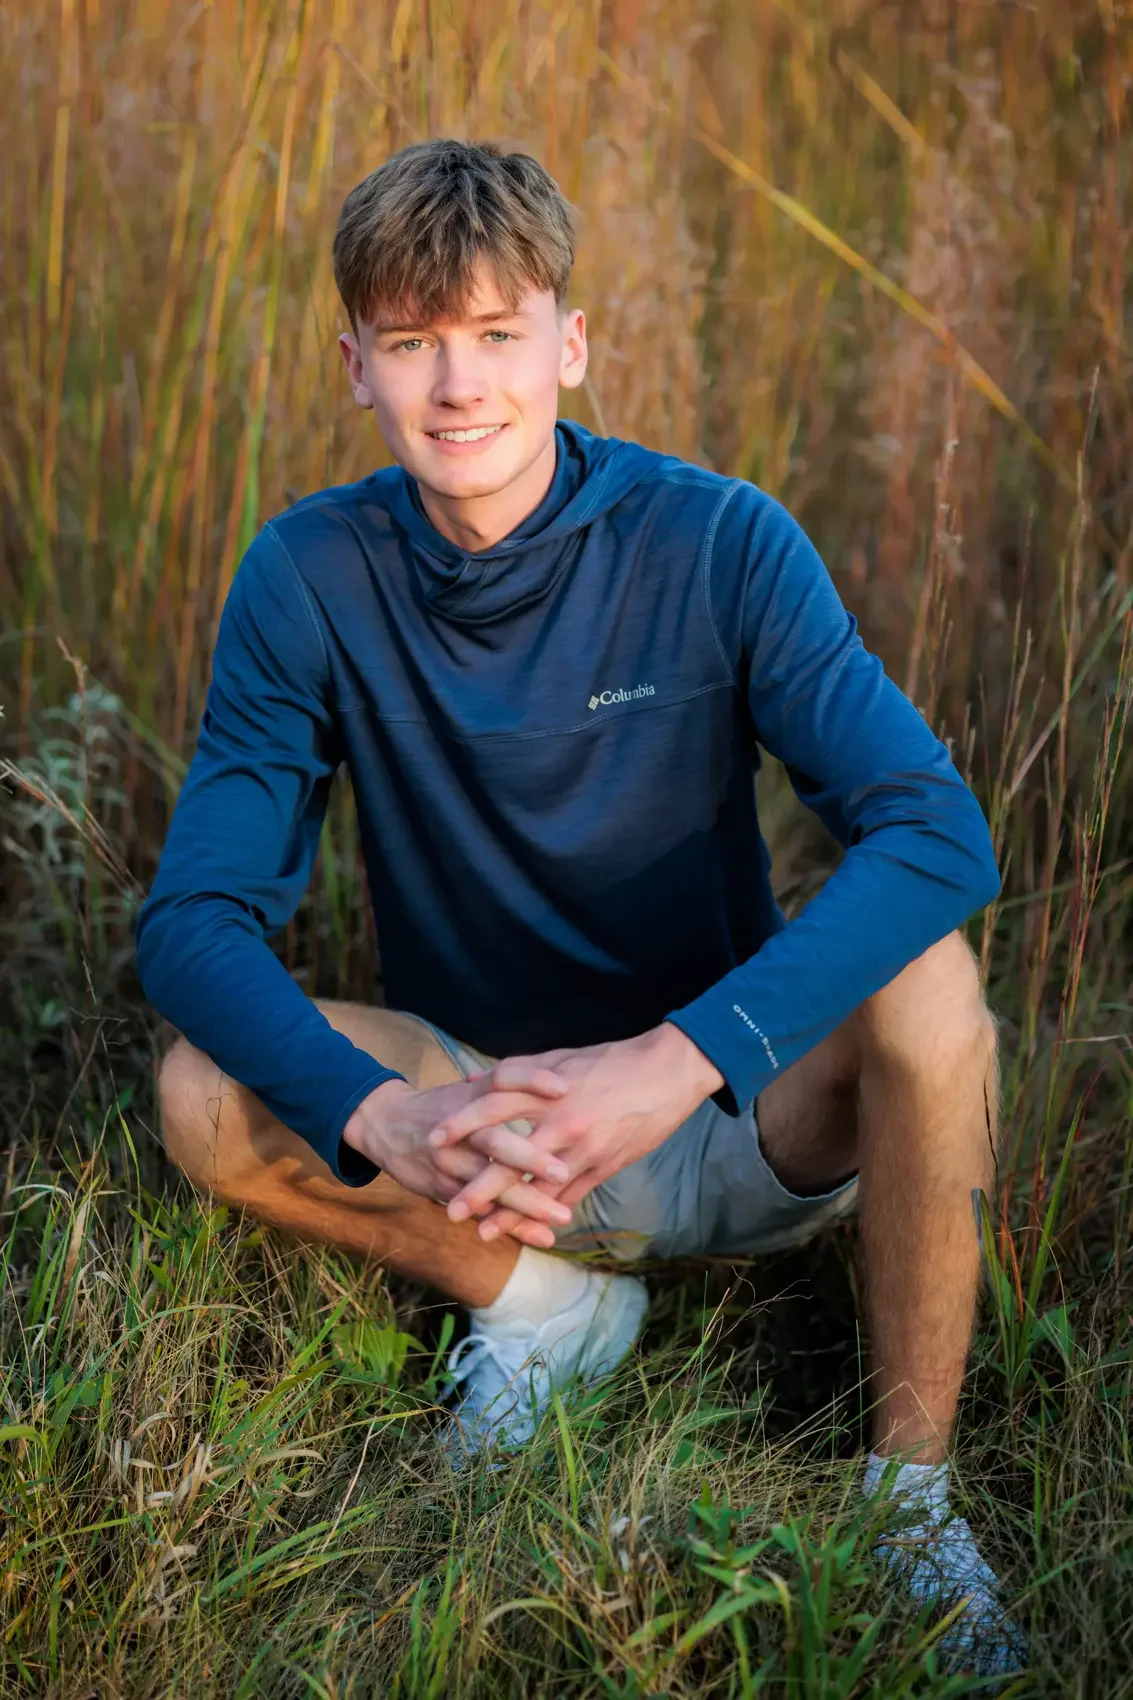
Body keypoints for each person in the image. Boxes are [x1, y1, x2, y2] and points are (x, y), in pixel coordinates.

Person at [138, 139, 1025, 1674]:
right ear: (356, 365)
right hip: (483, 1144)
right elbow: (192, 924)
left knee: (932, 980)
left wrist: (674, 1057)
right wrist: (381, 1120)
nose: (458, 386)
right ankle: (543, 1313)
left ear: (571, 343)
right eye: (413, 343)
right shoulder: (308, 577)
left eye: (495, 334)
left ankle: (910, 1497)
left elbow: (938, 833)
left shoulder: (718, 539)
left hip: (737, 1113)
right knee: (203, 1092)